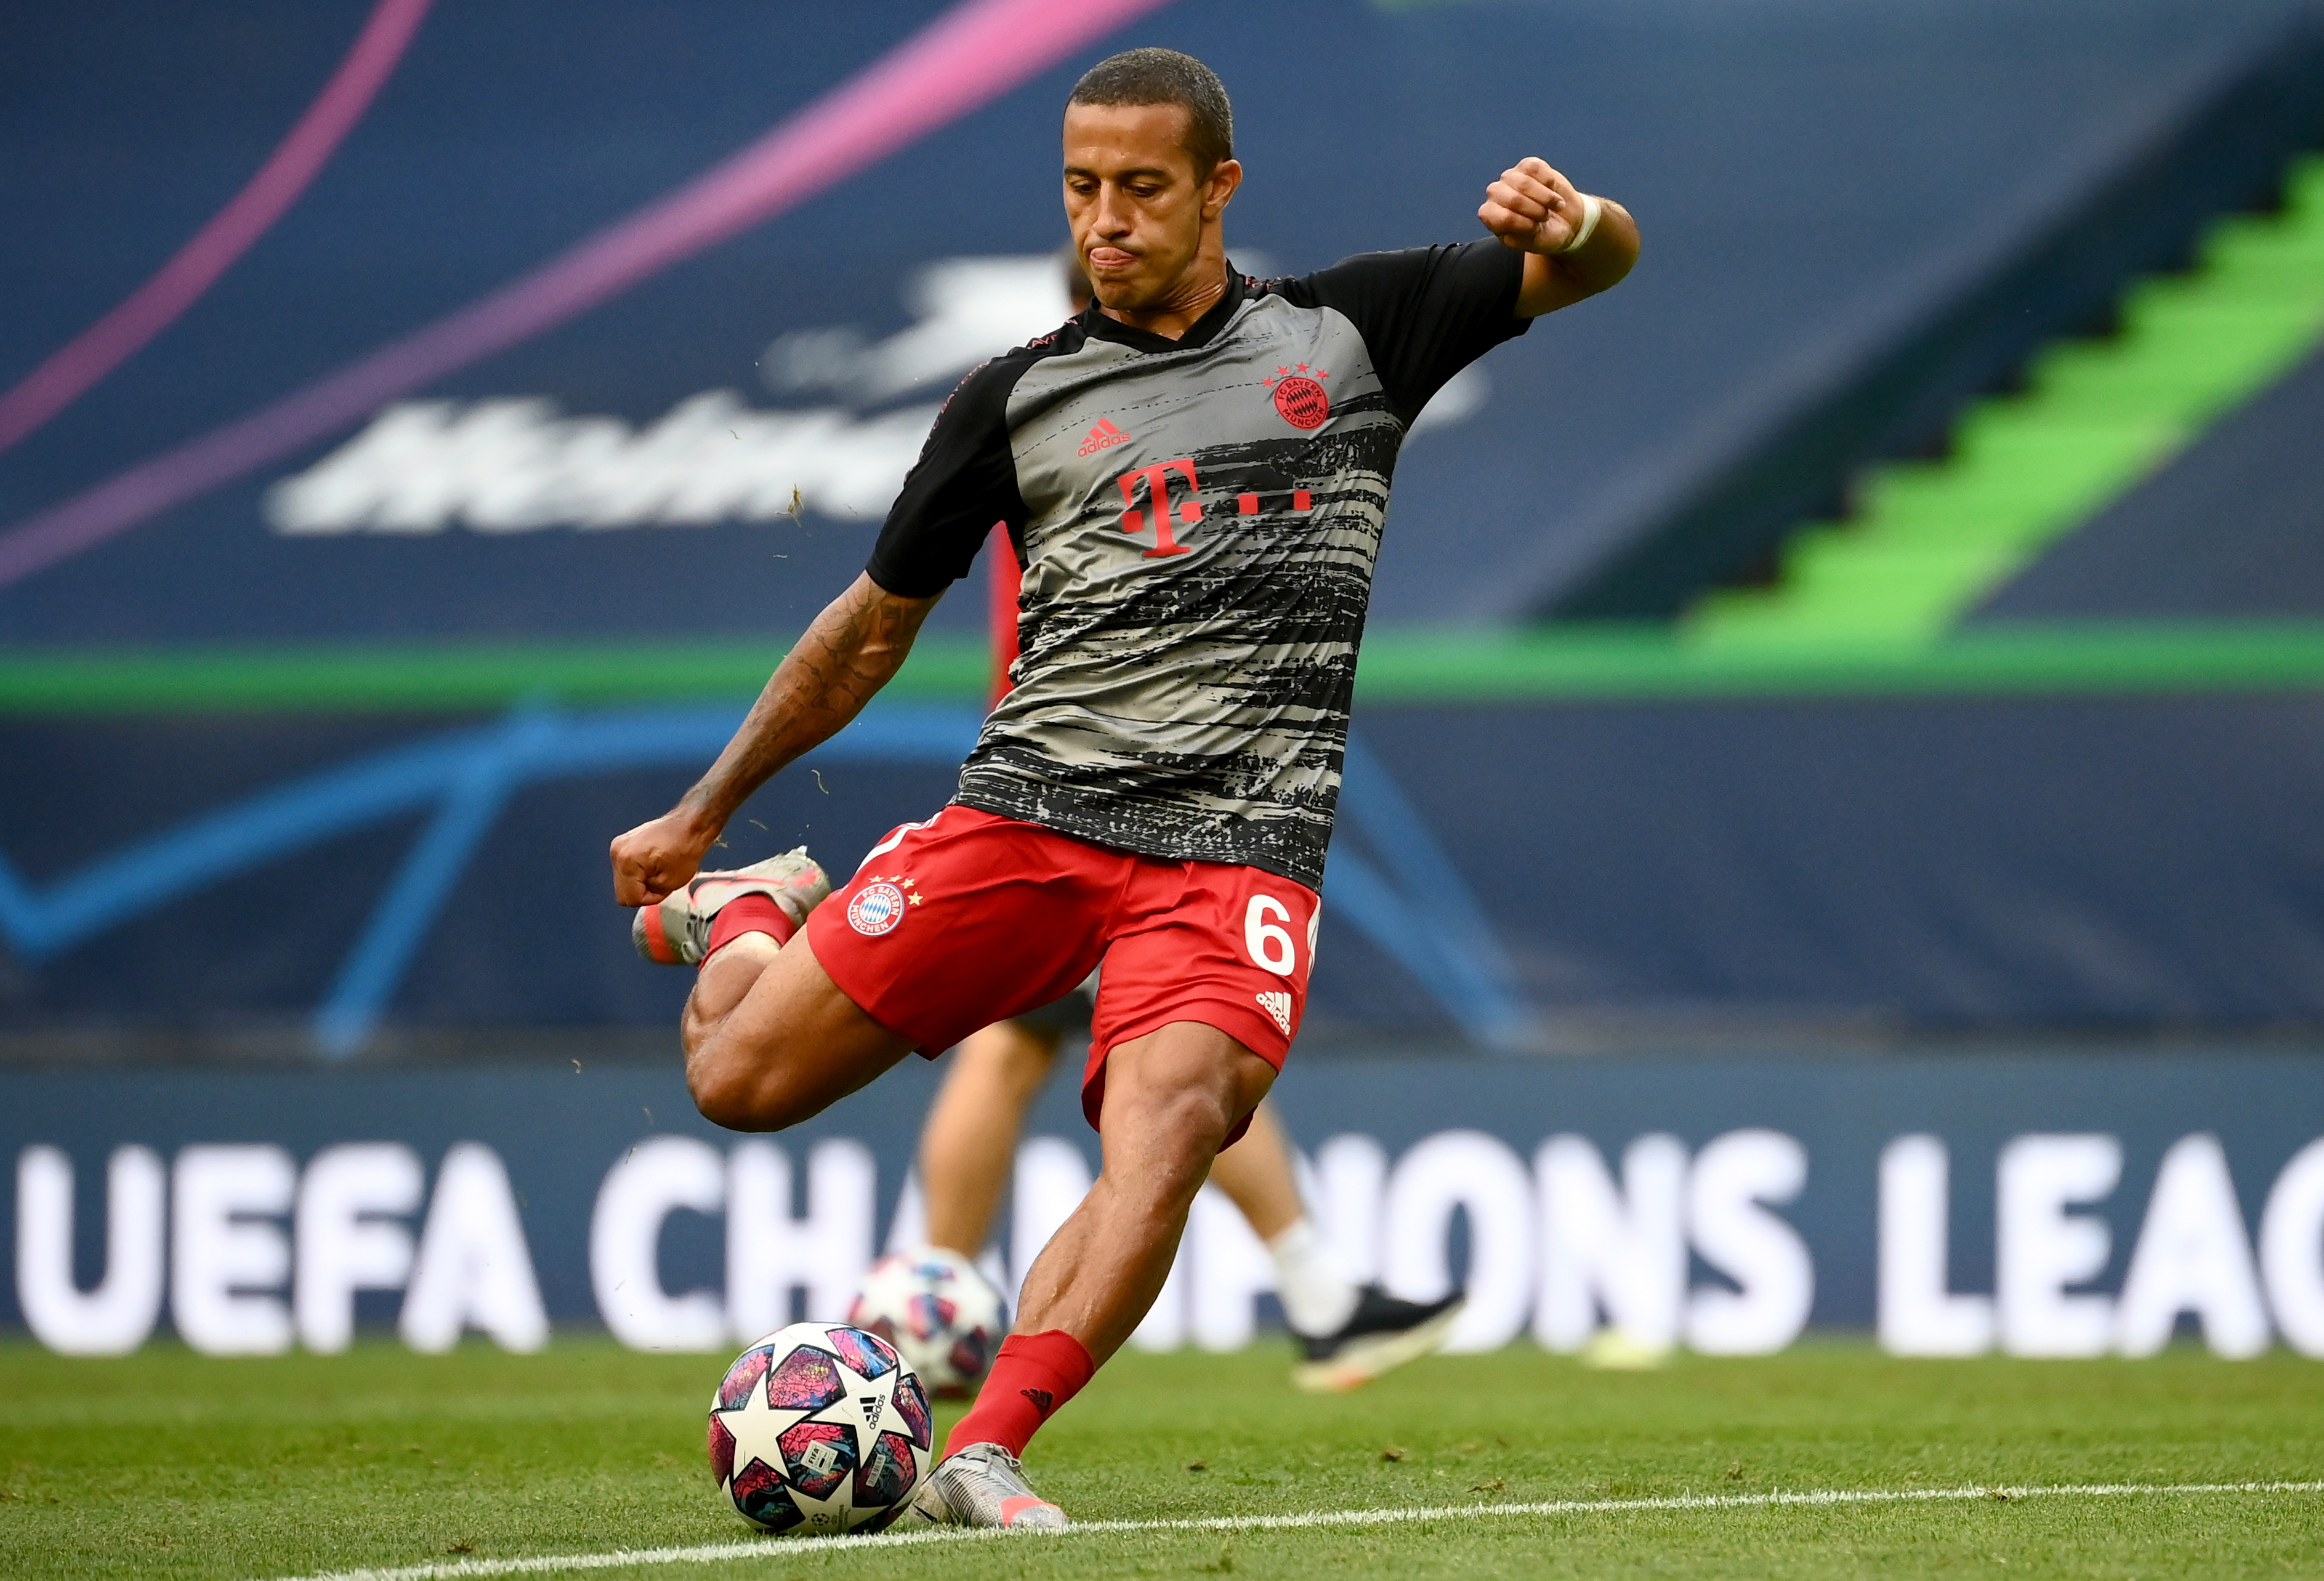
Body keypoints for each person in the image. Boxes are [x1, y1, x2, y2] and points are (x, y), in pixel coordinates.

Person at [609, 46, 1637, 1531]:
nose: (1107, 221)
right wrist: (708, 809)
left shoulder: (1357, 328)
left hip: (1238, 845)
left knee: (1173, 1117)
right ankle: (762, 906)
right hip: (1034, 810)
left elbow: (1602, 263)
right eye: (1083, 189)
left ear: (1218, 187)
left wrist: (1577, 215)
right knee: (737, 1081)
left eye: (1142, 189)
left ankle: (989, 1445)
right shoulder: (1014, 401)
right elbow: (867, 631)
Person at [916, 978, 1463, 1393]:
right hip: (1127, 836)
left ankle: (934, 1315)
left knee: (1019, 1039)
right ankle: (935, 1317)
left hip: (1064, 835)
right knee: (1183, 1038)